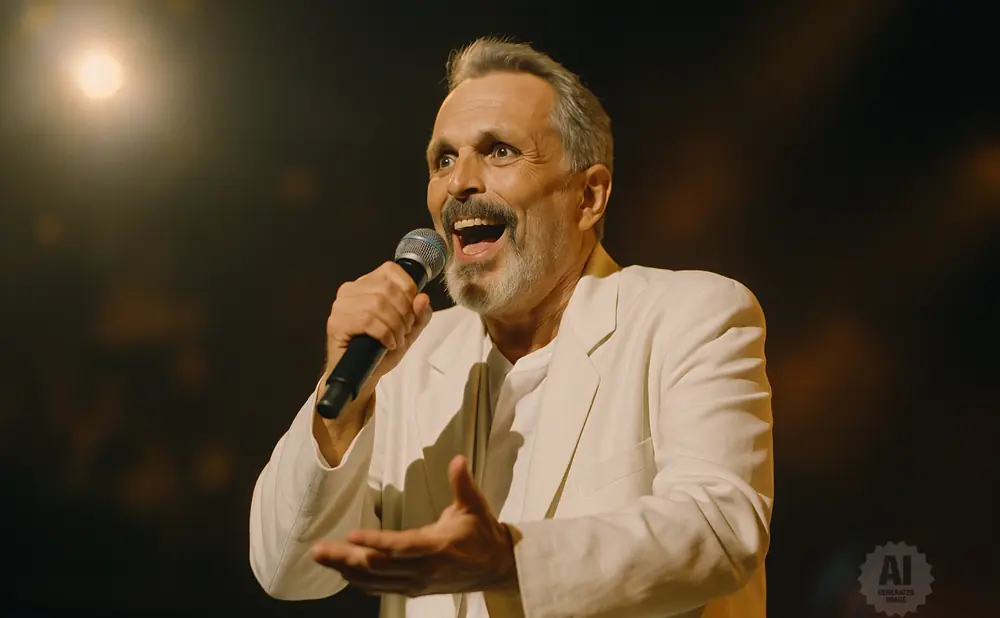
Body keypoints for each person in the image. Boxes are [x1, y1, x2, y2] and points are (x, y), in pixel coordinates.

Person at [249, 36, 774, 618]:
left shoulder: (690, 314)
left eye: (498, 151)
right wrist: (342, 399)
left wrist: (510, 561)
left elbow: (720, 531)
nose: (459, 183)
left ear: (589, 195)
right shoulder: (403, 359)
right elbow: (289, 571)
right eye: (443, 159)